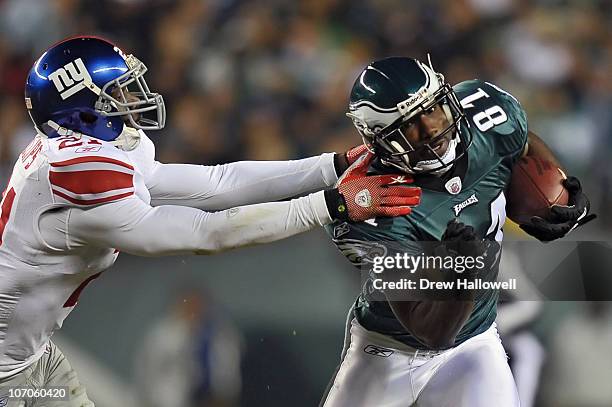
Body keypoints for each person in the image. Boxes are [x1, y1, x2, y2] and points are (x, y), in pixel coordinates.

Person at [0, 36, 422, 406]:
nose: (131, 100)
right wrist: (332, 205)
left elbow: (216, 183)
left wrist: (332, 166)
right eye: (116, 92)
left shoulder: (82, 150)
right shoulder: (78, 172)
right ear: (82, 110)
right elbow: (208, 232)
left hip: (30, 356)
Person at [321, 56, 595, 406]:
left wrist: (557, 189)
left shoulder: (486, 116)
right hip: (389, 348)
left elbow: (521, 141)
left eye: (432, 109)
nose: (431, 128)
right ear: (380, 141)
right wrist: (464, 271)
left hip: (473, 342)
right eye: (410, 125)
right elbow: (431, 331)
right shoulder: (370, 202)